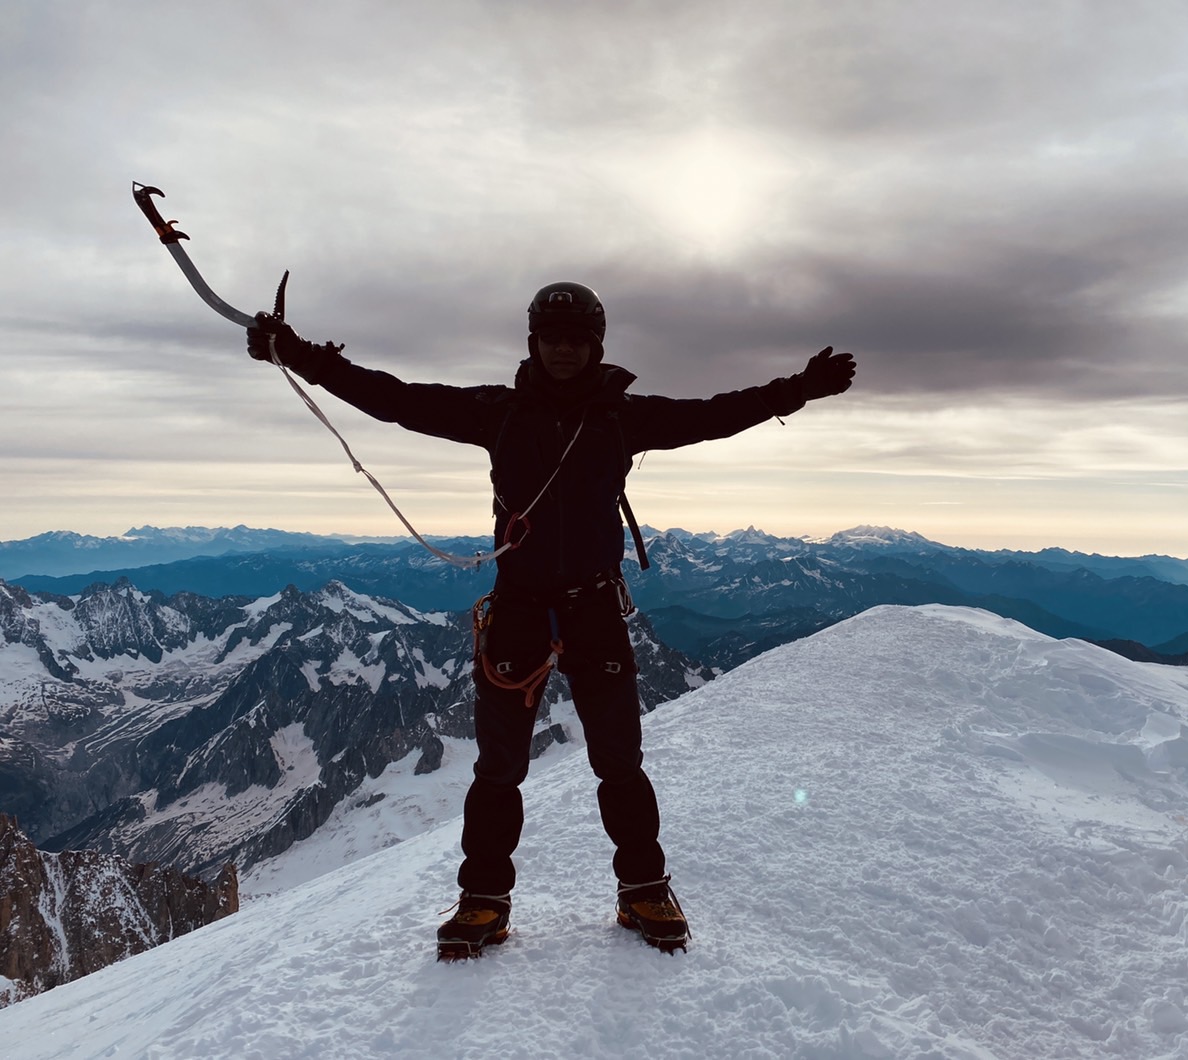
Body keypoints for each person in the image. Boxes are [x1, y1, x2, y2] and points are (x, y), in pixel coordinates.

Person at [247, 282, 855, 956]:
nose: (564, 348)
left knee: (619, 762)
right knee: (500, 768)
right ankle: (486, 900)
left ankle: (641, 887)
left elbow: (715, 414)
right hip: (524, 611)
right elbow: (395, 399)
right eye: (552, 336)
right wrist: (300, 357)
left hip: (587, 608)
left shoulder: (622, 416)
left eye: (577, 337)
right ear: (533, 340)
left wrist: (798, 389)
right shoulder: (498, 413)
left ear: (596, 343)